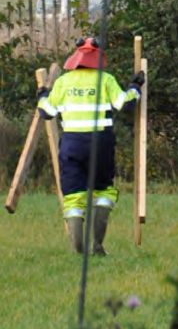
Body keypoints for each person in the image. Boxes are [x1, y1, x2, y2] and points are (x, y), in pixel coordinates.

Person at [37, 36, 145, 255]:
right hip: (101, 144)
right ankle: (97, 245)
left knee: (74, 197)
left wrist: (42, 95)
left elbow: (46, 112)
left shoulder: (64, 82)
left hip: (72, 145)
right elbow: (126, 104)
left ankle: (78, 249)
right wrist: (135, 86)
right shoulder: (105, 79)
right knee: (103, 190)